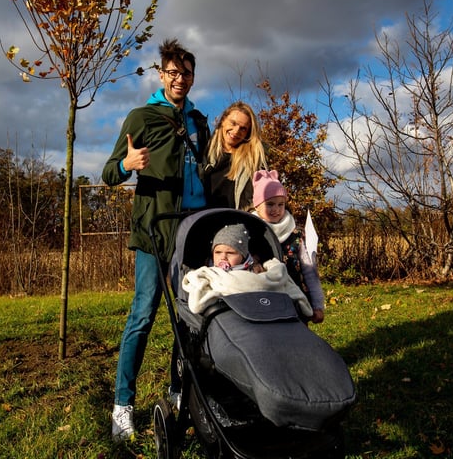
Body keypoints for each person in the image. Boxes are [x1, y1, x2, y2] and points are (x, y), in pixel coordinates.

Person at [102, 38, 210, 442]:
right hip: (153, 232)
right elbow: (110, 172)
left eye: (186, 72)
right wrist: (127, 164)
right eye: (172, 72)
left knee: (191, 318)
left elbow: (211, 171)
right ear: (161, 75)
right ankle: (122, 405)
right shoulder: (142, 117)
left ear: (193, 77)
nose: (179, 78)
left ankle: (180, 391)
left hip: (193, 232)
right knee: (143, 316)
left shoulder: (200, 121)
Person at [182, 223, 313, 316]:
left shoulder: (254, 269)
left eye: (231, 253)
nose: (223, 257)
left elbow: (261, 282)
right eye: (218, 252)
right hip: (227, 314)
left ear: (243, 255)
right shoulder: (209, 271)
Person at [251, 170, 325, 324]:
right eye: (270, 204)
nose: (276, 209)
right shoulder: (252, 233)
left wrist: (318, 304)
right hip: (265, 298)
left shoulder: (295, 233)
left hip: (295, 299)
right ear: (257, 206)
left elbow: (309, 269)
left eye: (281, 204)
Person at [204, 101, 267, 211]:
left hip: (237, 222)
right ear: (223, 120)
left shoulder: (253, 160)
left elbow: (266, 194)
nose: (236, 131)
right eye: (233, 123)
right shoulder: (204, 151)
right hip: (202, 220)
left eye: (243, 128)